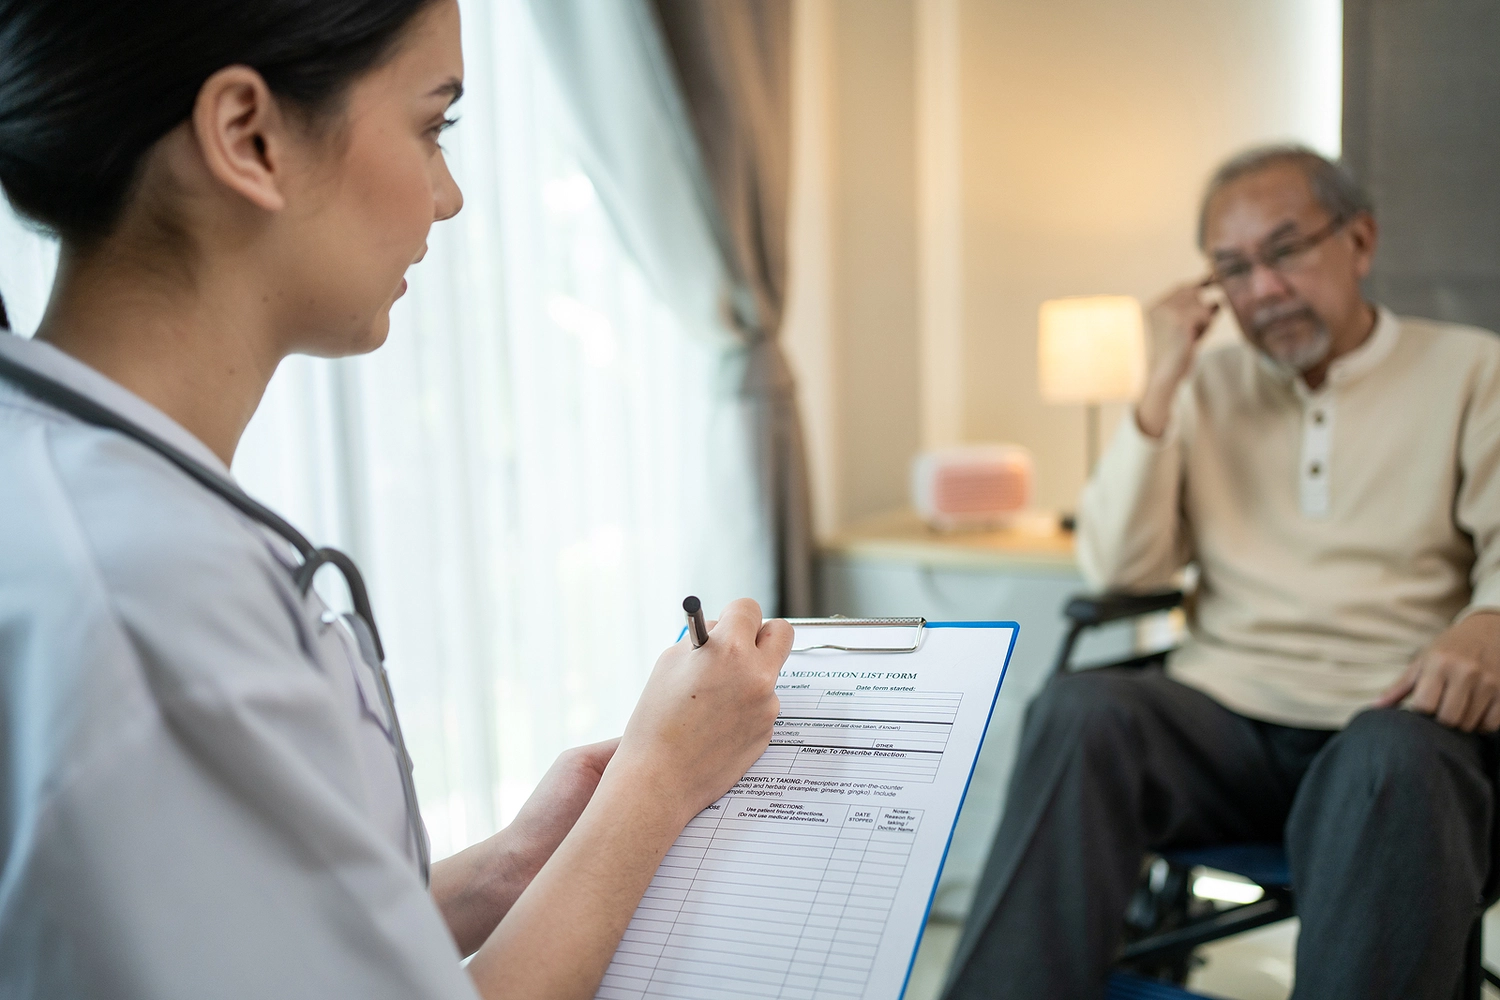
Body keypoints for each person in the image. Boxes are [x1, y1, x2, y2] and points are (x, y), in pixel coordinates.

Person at [0, 2, 794, 998]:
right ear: (249, 135)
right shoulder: (147, 596)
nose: (449, 197)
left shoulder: (65, 485)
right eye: (431, 126)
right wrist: (657, 786)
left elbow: (248, 940)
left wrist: (506, 866)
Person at [942, 145, 1500, 999]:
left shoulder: (1470, 370)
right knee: (1080, 709)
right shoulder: (1206, 388)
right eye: (1232, 269)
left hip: (1392, 724)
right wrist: (1162, 376)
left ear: (1360, 240)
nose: (1263, 289)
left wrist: (1488, 621)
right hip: (1225, 725)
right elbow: (1122, 565)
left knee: (1393, 760)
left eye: (1285, 252)